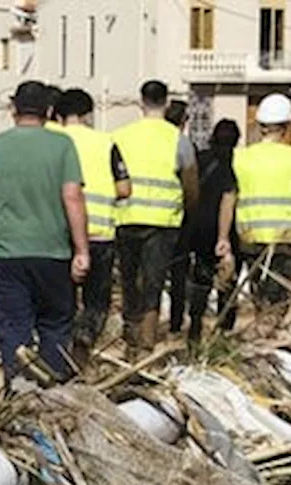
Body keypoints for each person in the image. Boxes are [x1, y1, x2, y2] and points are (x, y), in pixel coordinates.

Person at [0, 80, 89, 384]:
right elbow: (72, 197)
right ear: (49, 110)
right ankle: (54, 397)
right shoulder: (62, 145)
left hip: (7, 257)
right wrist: (81, 251)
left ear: (13, 109)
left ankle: (19, 395)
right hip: (54, 254)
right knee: (55, 329)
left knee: (13, 332)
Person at [113, 80, 200, 357]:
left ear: (141, 102)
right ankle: (146, 343)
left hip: (126, 218)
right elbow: (191, 184)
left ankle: (130, 338)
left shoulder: (121, 136)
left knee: (129, 280)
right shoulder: (179, 140)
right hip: (163, 223)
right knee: (153, 282)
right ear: (166, 103)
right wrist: (188, 211)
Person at [217, 93, 291, 328]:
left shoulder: (240, 158)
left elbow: (228, 199)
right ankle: (269, 337)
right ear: (286, 126)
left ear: (260, 125)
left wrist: (223, 238)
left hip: (250, 241)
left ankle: (265, 331)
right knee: (279, 301)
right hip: (284, 241)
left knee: (260, 296)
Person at [57, 88, 132, 363]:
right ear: (88, 114)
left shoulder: (53, 140)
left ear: (59, 114)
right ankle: (83, 346)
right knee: (96, 302)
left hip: (60, 235)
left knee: (61, 300)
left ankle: (58, 353)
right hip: (99, 234)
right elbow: (124, 188)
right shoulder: (106, 142)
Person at [183, 119, 242, 340]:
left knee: (201, 277)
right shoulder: (235, 163)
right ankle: (224, 329)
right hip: (227, 229)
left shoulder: (199, 160)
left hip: (199, 228)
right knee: (228, 279)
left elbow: (188, 188)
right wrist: (224, 236)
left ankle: (195, 324)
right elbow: (230, 197)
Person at [163, 99, 195, 337]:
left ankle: (140, 324)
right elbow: (190, 184)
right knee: (178, 275)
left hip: (134, 217)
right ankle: (175, 321)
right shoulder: (182, 144)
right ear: (184, 121)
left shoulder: (145, 140)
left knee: (145, 276)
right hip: (173, 219)